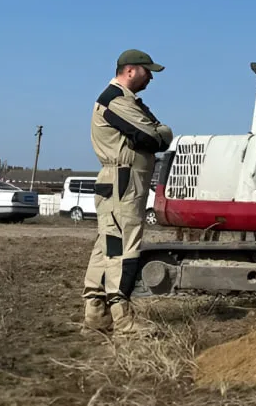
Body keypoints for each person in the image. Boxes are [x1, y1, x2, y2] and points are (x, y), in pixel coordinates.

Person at [83, 50, 173, 336]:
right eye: (148, 72)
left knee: (108, 246)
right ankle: (123, 321)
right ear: (131, 70)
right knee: (124, 247)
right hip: (123, 181)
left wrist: (158, 132)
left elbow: (156, 134)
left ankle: (96, 314)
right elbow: (154, 137)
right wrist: (158, 131)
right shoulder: (117, 101)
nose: (151, 79)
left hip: (121, 182)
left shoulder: (126, 101)